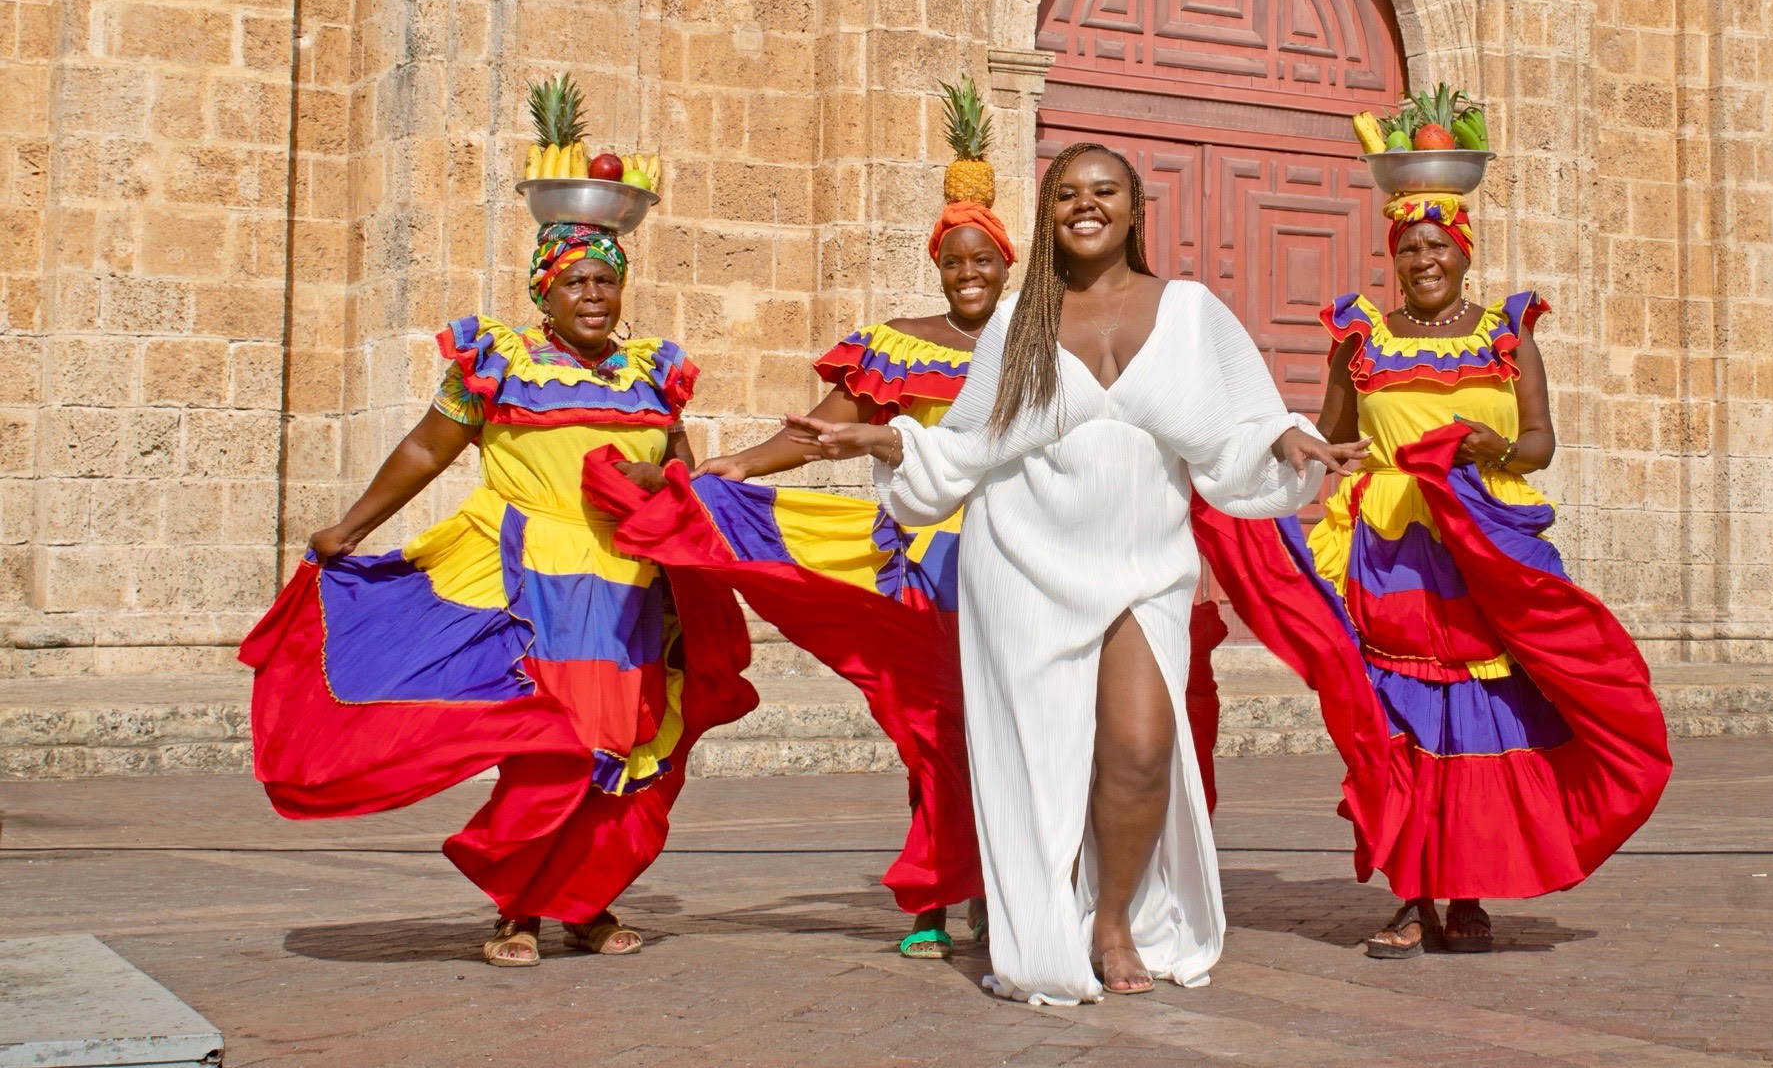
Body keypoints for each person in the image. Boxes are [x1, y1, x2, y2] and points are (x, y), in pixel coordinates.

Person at [787, 144, 1366, 1005]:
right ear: (1049, 210)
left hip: (1144, 562)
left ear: (1135, 210)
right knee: (1038, 756)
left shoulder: (1191, 311)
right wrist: (889, 438)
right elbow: (967, 445)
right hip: (1022, 559)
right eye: (1066, 193)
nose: (1084, 206)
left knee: (1140, 745)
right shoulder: (1021, 318)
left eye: (1103, 192)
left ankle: (1115, 918)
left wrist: (1282, 437)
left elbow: (1235, 426)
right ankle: (1046, 916)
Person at [240, 219, 755, 968]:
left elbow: (686, 475)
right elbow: (425, 446)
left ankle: (582, 902)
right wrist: (350, 526)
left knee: (624, 749)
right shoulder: (499, 364)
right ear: (543, 288)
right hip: (528, 590)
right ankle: (518, 908)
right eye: (575, 280)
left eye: (605, 280)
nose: (593, 294)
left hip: (628, 595)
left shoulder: (651, 373)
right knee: (550, 747)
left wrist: (666, 489)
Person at [1192, 191, 1670, 959]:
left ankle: (1470, 891)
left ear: (1464, 250)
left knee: (1481, 713)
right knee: (1403, 716)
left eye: (1437, 246)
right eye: (1409, 248)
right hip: (1392, 551)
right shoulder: (1362, 340)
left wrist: (1496, 448)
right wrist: (1272, 471)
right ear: (1394, 257)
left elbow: (1540, 440)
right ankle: (1412, 895)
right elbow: (1335, 436)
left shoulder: (1506, 335)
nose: (1424, 261)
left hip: (1481, 549)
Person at [692, 200, 1017, 958]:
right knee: (936, 736)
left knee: (1012, 732)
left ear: (1008, 264)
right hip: (927, 569)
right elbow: (819, 434)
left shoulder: (1037, 341)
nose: (968, 274)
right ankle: (934, 899)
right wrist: (741, 464)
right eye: (954, 261)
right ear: (938, 268)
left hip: (1017, 560)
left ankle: (1001, 893)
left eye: (982, 259)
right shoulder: (901, 346)